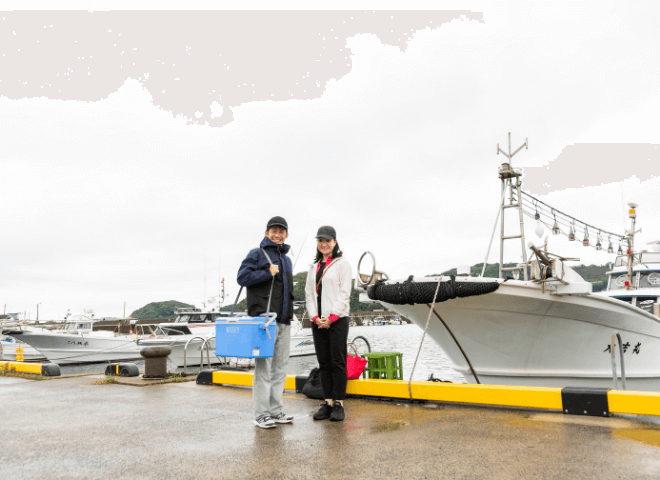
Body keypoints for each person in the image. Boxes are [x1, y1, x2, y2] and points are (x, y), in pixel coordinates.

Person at [237, 216, 295, 429]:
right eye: (274, 230)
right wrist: (266, 273)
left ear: (286, 234)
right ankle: (261, 414)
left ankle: (276, 410)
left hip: (284, 320)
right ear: (266, 232)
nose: (278, 234)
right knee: (263, 369)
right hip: (264, 320)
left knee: (280, 369)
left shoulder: (286, 259)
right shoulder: (257, 254)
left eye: (281, 231)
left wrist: (289, 314)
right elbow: (242, 278)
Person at [305, 225, 352, 422]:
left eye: (327, 240)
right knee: (324, 362)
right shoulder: (313, 267)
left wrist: (332, 317)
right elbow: (309, 294)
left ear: (335, 242)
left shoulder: (342, 264)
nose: (323, 244)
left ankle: (339, 403)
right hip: (318, 321)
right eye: (320, 241)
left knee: (337, 362)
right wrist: (315, 318)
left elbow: (344, 293)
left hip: (338, 320)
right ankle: (328, 401)